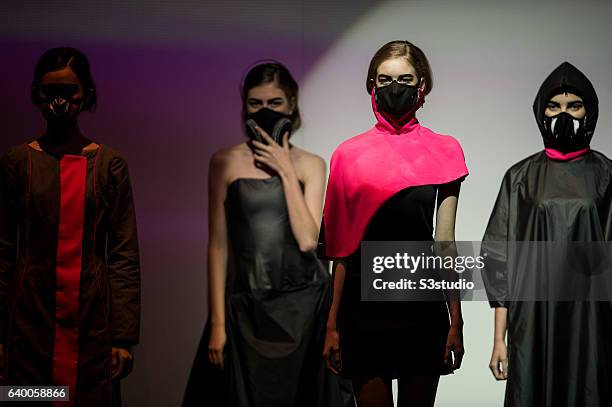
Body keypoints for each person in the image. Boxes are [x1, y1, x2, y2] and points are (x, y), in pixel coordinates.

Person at [182, 61, 354, 407]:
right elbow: (218, 246)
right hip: (246, 309)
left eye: (274, 103)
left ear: (291, 104)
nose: (264, 111)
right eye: (255, 103)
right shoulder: (225, 162)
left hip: (305, 310)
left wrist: (286, 172)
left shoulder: (311, 164)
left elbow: (309, 239)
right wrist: (217, 323)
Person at [319, 40, 468, 407]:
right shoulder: (347, 155)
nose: (394, 88)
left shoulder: (445, 149)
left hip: (420, 307)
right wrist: (331, 324)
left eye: (404, 78)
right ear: (372, 85)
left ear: (422, 86)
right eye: (384, 79)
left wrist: (456, 320)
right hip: (362, 308)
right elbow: (341, 249)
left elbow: (444, 241)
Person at [0, 47, 141, 406]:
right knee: (27, 400)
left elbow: (123, 254)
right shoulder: (18, 162)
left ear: (87, 94)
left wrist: (122, 338)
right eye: (50, 91)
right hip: (28, 323)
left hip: (92, 325)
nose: (59, 101)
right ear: (36, 94)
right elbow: (2, 251)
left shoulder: (109, 165)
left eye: (69, 91)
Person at [483, 61, 612, 407]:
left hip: (591, 318)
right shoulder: (521, 177)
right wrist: (499, 339)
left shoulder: (606, 175)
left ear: (590, 112)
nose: (564, 115)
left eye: (574, 106)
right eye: (554, 106)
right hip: (533, 317)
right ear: (542, 113)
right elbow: (499, 257)